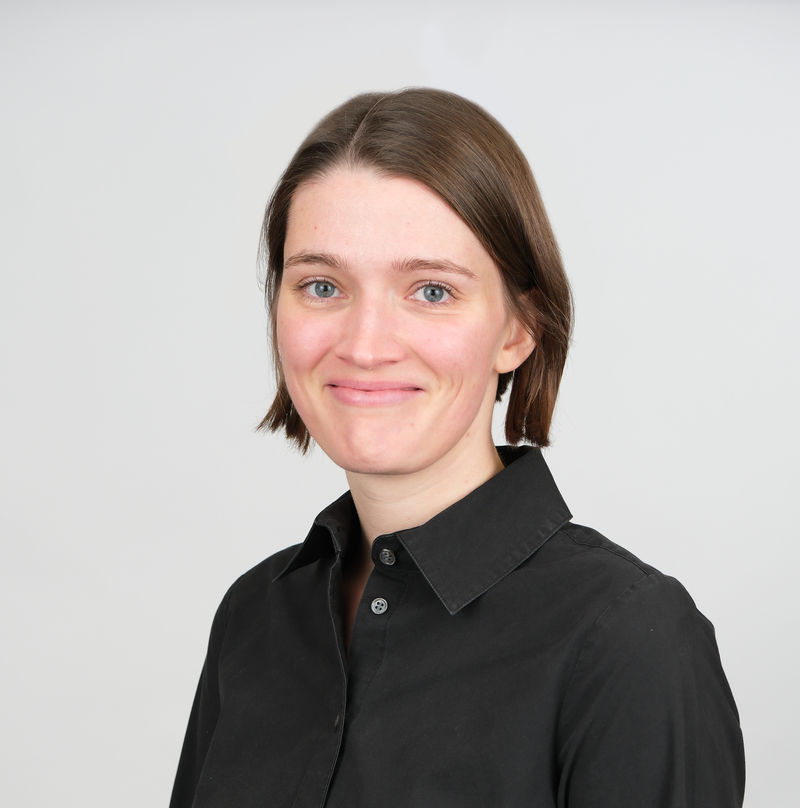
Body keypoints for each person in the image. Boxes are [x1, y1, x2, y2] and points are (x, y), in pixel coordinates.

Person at [169, 88, 745, 807]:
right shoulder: (254, 616)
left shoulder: (629, 643)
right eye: (322, 285)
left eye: (431, 292)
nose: (364, 344)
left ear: (517, 330)